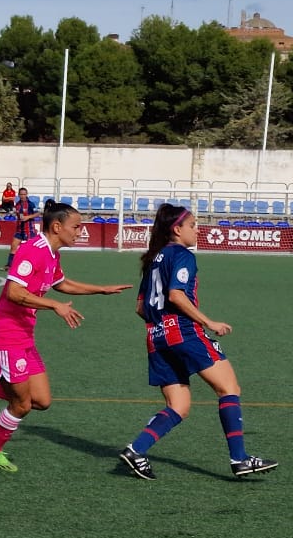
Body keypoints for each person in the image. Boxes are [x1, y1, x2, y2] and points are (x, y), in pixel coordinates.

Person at [0, 199, 131, 473]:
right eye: (77, 226)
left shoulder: (52, 253)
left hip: (23, 337)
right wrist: (54, 306)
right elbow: (14, 292)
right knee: (22, 404)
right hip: (5, 337)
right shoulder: (31, 250)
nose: (80, 231)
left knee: (41, 401)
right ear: (57, 226)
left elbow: (62, 283)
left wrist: (101, 289)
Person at [116, 204, 279, 481]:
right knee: (229, 387)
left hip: (156, 336)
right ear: (177, 230)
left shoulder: (154, 259)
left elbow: (140, 308)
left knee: (179, 406)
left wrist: (161, 323)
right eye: (192, 225)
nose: (197, 229)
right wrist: (208, 322)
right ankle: (240, 459)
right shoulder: (182, 255)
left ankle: (136, 450)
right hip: (183, 332)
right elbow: (177, 295)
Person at [8, 186, 37, 264]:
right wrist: (12, 213)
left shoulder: (30, 204)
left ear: (26, 194)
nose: (22, 196)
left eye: (24, 194)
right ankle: (10, 265)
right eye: (21, 194)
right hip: (19, 230)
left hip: (29, 230)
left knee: (30, 249)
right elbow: (17, 212)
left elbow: (37, 213)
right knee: (13, 246)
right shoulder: (17, 204)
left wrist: (28, 217)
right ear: (19, 195)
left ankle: (33, 264)